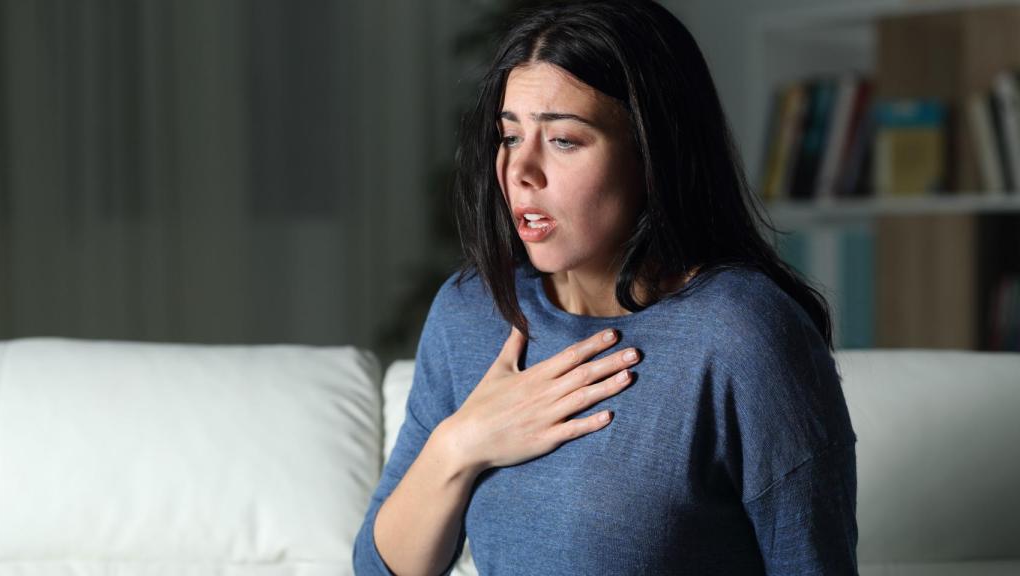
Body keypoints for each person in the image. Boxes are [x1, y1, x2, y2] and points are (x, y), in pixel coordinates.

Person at [354, 0, 857, 574]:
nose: (521, 171)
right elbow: (377, 567)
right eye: (510, 136)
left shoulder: (745, 336)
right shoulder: (472, 311)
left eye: (564, 140)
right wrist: (461, 445)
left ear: (652, 153)